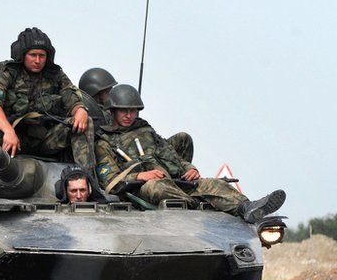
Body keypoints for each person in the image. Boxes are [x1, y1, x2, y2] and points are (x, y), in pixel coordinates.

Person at [94, 85, 285, 222]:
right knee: (156, 187)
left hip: (173, 183)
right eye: (124, 111)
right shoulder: (104, 141)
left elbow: (171, 156)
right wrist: (141, 176)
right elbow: (109, 181)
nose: (129, 116)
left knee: (213, 183)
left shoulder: (145, 131)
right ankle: (199, 203)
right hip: (139, 190)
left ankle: (247, 208)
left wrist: (189, 167)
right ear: (113, 111)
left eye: (133, 111)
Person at [0, 27, 93, 200]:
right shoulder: (7, 73)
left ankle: (88, 180)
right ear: (22, 55)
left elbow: (71, 96)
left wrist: (80, 110)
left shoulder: (55, 75)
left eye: (42, 56)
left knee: (84, 122)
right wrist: (8, 131)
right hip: (12, 139)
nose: (37, 60)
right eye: (33, 55)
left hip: (44, 139)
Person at [79, 67, 195, 162]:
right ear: (95, 93)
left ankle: (180, 176)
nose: (112, 94)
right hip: (121, 152)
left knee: (183, 139)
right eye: (107, 92)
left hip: (139, 144)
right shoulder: (94, 114)